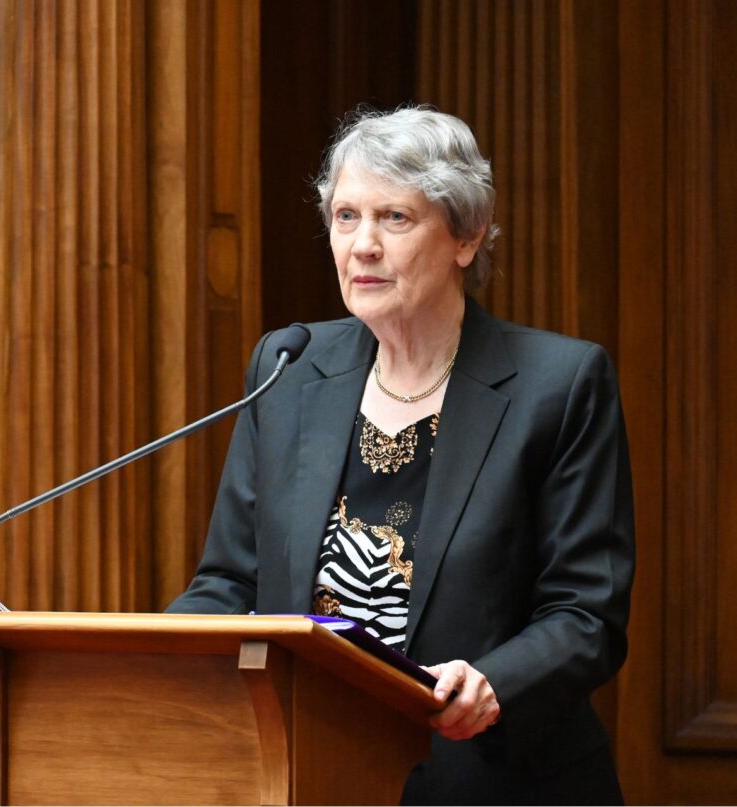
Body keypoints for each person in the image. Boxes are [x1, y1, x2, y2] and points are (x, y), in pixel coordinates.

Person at [167, 106, 635, 805]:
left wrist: (494, 680)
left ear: (467, 237)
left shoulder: (559, 386)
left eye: (394, 218)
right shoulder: (290, 368)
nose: (362, 245)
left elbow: (586, 613)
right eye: (345, 216)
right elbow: (231, 584)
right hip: (311, 773)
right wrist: (148, 656)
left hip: (493, 780)